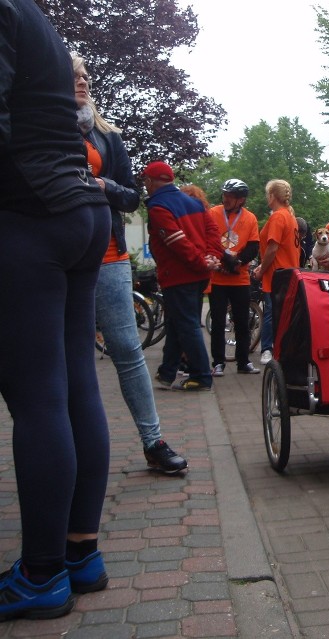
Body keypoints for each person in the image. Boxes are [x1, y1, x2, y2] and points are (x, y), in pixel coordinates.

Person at [0, 0, 112, 619]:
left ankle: (40, 575)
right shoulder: (31, 11)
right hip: (78, 212)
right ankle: (78, 555)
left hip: (28, 215)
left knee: (38, 397)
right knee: (72, 389)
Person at [72, 53, 187, 475]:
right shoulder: (42, 129)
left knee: (126, 350)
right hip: (60, 259)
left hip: (108, 257)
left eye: (85, 75)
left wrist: (101, 184)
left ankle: (153, 441)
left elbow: (130, 197)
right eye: (73, 76)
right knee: (71, 355)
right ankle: (74, 446)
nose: (82, 82)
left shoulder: (107, 136)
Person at [143, 161, 223, 391]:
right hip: (197, 275)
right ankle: (167, 372)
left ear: (151, 182)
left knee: (186, 325)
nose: (146, 187)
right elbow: (212, 232)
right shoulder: (194, 203)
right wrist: (211, 258)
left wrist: (201, 263)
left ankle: (200, 376)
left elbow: (176, 242)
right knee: (176, 323)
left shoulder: (158, 207)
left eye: (146, 182)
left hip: (178, 275)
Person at [208, 179, 261, 376]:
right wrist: (224, 260)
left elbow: (253, 246)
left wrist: (237, 261)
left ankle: (243, 361)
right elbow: (209, 240)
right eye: (224, 195)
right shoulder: (213, 213)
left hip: (239, 278)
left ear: (241, 200)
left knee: (241, 321)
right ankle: (218, 362)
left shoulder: (250, 218)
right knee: (218, 321)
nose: (226, 199)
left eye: (230, 196)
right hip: (218, 277)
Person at [253, 179, 301, 364]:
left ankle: (267, 348)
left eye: (268, 194)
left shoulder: (278, 217)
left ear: (272, 196)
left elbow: (272, 248)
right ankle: (281, 349)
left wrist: (261, 270)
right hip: (287, 272)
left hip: (276, 275)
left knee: (271, 314)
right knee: (281, 314)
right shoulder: (289, 217)